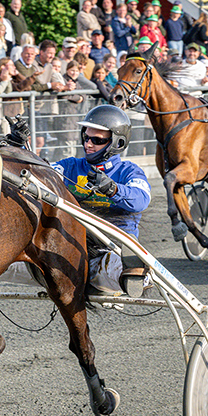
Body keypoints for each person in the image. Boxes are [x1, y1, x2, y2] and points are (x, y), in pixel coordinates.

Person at [50, 105, 151, 296]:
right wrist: (20, 149)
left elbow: (141, 200)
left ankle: (134, 273)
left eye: (96, 140)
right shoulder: (70, 166)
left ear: (117, 143)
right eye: (86, 137)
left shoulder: (129, 171)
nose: (88, 144)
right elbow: (43, 173)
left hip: (113, 245)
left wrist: (112, 189)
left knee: (117, 263)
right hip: (73, 247)